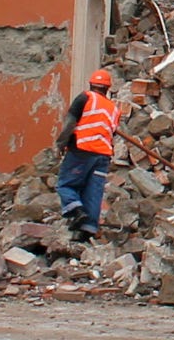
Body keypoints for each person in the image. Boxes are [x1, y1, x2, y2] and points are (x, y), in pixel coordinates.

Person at [55, 68, 120, 239]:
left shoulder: (85, 98)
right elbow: (112, 131)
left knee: (66, 184)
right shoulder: (114, 109)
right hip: (103, 155)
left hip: (82, 150)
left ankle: (76, 210)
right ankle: (88, 229)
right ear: (107, 88)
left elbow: (70, 122)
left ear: (91, 84)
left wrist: (61, 143)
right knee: (93, 191)